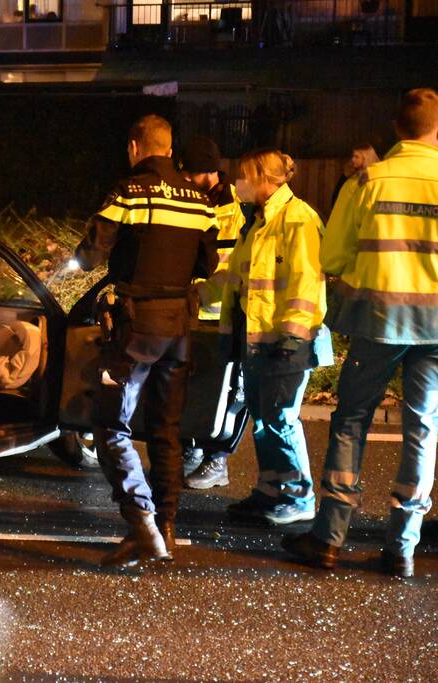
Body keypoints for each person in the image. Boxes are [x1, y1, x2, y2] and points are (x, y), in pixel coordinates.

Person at [282, 88, 438, 578]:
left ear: (397, 128)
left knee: (351, 420)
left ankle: (329, 538)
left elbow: (331, 258)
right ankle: (402, 547)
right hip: (436, 328)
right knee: (422, 427)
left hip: (378, 322)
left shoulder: (368, 179)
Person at [74, 114, 218, 566]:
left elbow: (92, 251)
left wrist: (77, 263)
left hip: (136, 330)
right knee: (166, 430)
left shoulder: (129, 192)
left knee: (110, 425)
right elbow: (209, 263)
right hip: (180, 328)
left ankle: (142, 527)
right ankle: (168, 528)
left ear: (136, 147)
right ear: (170, 150)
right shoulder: (199, 200)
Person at [219, 149, 333, 526]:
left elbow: (307, 283)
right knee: (265, 420)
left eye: (245, 176)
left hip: (286, 343)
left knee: (281, 419)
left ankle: (300, 497)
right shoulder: (258, 223)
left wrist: (294, 337)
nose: (240, 183)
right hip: (259, 341)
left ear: (267, 179)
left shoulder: (298, 219)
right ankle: (271, 491)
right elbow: (235, 279)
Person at [178, 136, 253, 489]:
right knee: (192, 387)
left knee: (226, 392)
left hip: (223, 312)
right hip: (193, 309)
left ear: (207, 172)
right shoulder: (192, 201)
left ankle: (217, 460)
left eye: (190, 173)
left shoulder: (236, 211)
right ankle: (192, 447)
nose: (186, 179)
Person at [329, 143, 379, 211]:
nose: (352, 159)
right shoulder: (352, 178)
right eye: (352, 156)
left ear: (366, 158)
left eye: (356, 157)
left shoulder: (374, 178)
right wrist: (344, 176)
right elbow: (337, 201)